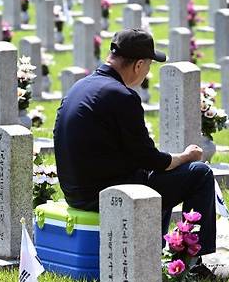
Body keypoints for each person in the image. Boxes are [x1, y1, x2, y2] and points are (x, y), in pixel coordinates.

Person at [54, 28, 217, 261]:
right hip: (104, 194)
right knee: (198, 174)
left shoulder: (80, 87)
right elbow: (150, 159)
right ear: (138, 65)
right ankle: (191, 262)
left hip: (76, 192)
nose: (146, 74)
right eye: (149, 67)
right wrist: (184, 157)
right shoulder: (122, 96)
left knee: (158, 179)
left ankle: (152, 251)